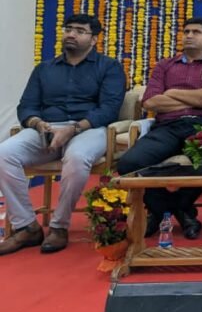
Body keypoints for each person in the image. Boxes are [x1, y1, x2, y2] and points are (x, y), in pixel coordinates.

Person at [0, 14, 126, 255]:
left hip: (88, 129)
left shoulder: (109, 67)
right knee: (3, 154)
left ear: (94, 39)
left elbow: (109, 109)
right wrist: (37, 123)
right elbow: (26, 106)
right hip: (46, 128)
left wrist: (73, 129)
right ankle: (26, 226)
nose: (71, 34)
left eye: (79, 31)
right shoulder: (44, 69)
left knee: (77, 158)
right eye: (68, 29)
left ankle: (59, 226)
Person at [116, 17, 202, 241]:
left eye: (196, 32)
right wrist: (199, 98)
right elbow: (150, 102)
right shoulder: (165, 66)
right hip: (167, 126)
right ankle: (178, 211)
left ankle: (167, 210)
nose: (189, 35)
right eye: (186, 31)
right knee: (128, 164)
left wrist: (171, 93)